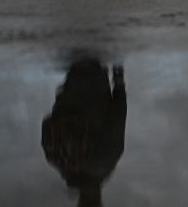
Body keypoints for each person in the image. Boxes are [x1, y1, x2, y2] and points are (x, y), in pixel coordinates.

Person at [41, 57, 127, 207]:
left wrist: (118, 79)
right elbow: (48, 124)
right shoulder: (61, 164)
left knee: (91, 47)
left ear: (99, 200)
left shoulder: (104, 163)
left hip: (96, 85)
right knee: (79, 47)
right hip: (70, 86)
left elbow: (117, 117)